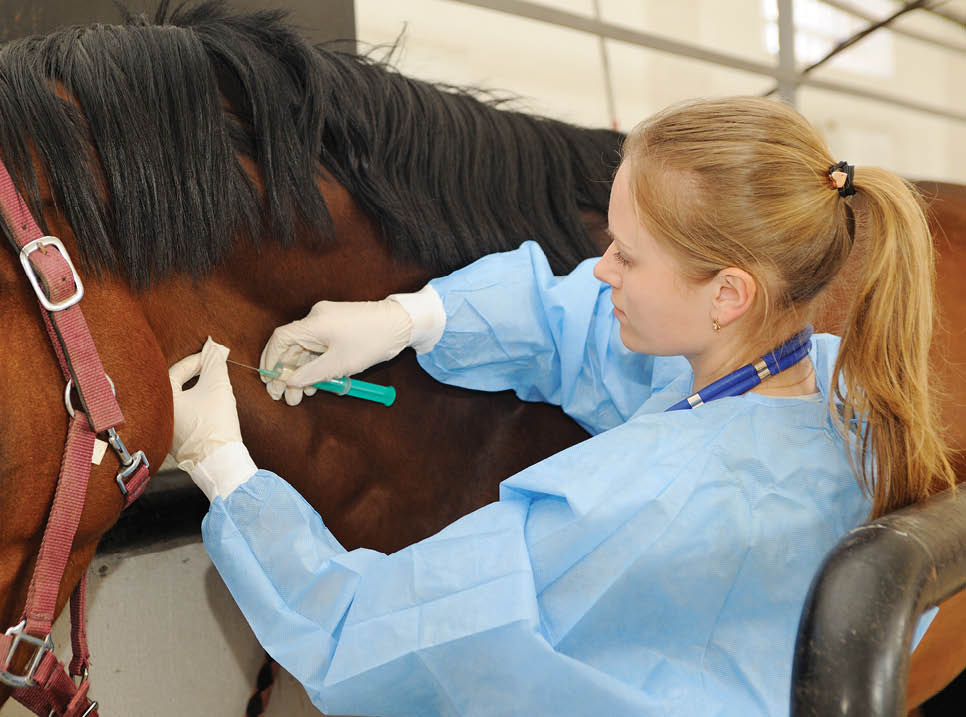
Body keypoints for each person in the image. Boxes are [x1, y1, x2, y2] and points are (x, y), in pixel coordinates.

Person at [166, 97, 954, 716]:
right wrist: (409, 318)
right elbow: (581, 329)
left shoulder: (633, 501)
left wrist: (225, 471)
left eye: (626, 254)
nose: (601, 269)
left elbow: (371, 631)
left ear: (729, 293)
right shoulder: (832, 392)